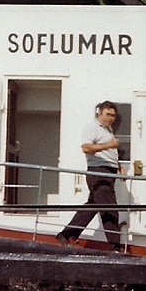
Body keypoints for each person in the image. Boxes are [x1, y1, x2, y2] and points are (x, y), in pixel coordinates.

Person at [56, 101, 122, 251]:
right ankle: (115, 247)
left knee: (92, 206)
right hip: (99, 172)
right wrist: (109, 145)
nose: (111, 118)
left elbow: (108, 153)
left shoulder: (107, 129)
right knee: (110, 209)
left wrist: (119, 167)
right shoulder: (92, 127)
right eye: (108, 114)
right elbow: (86, 148)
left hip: (107, 172)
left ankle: (66, 234)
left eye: (113, 116)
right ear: (100, 112)